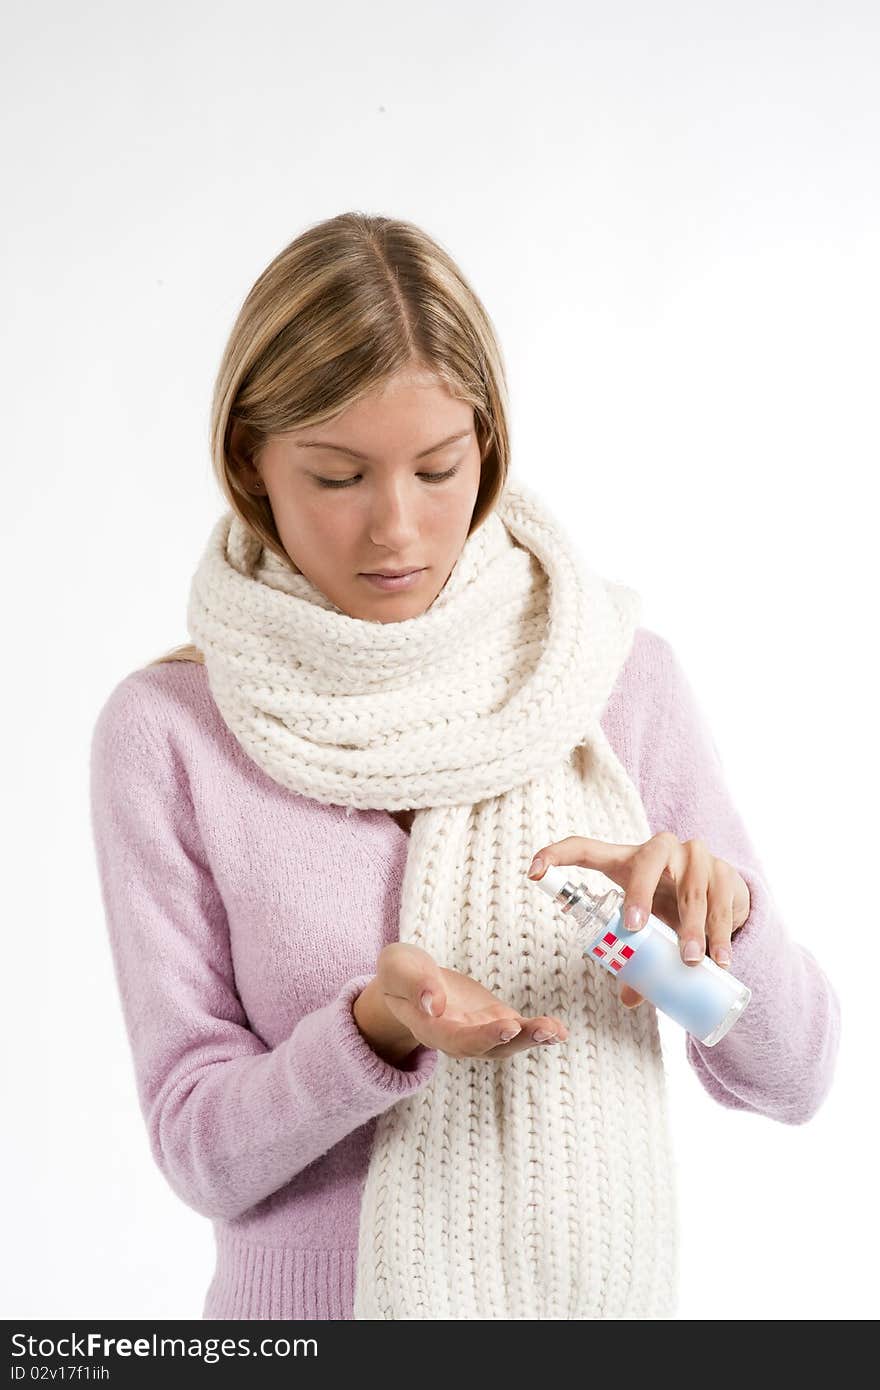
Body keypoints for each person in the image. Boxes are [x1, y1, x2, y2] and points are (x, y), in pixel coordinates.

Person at [89, 212, 841, 1321]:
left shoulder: (608, 679)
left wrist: (710, 931)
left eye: (437, 467)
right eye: (338, 476)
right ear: (250, 462)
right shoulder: (171, 733)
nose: (396, 526)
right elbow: (198, 1149)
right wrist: (367, 1036)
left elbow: (796, 1077)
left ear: (486, 444)